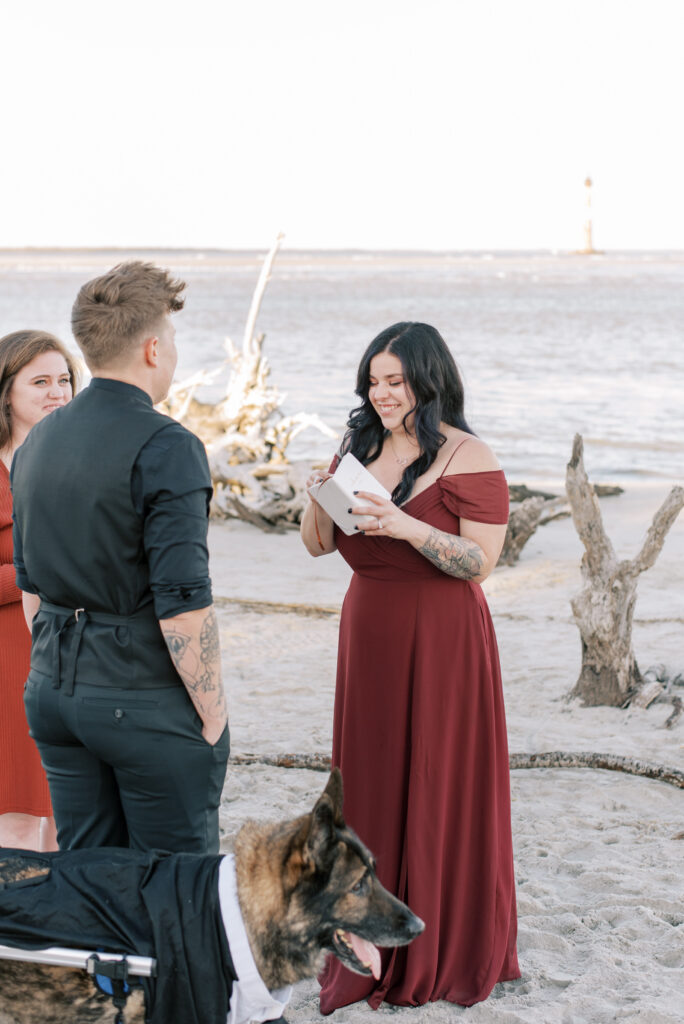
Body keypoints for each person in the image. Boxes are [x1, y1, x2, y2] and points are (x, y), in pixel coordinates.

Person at [301, 322, 520, 1011]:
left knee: (437, 776)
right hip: (369, 630)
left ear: (429, 380)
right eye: (373, 380)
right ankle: (366, 937)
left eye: (395, 380)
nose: (382, 393)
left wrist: (406, 526)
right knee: (367, 782)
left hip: (443, 635)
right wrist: (316, 494)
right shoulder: (359, 446)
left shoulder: (468, 454)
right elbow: (316, 546)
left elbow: (480, 562)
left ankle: (438, 942)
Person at [11, 261, 229, 854]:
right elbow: (183, 605)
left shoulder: (35, 445)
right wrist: (212, 716)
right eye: (174, 340)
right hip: (142, 698)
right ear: (154, 348)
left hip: (55, 690)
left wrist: (61, 677)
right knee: (177, 887)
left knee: (90, 880)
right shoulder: (169, 445)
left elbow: (33, 590)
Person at [0, 330, 77, 851]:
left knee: (63, 813)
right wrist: (34, 573)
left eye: (66, 379)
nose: (58, 392)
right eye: (41, 381)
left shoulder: (77, 462)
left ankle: (46, 929)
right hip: (7, 656)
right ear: (6, 392)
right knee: (18, 815)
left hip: (71, 653)